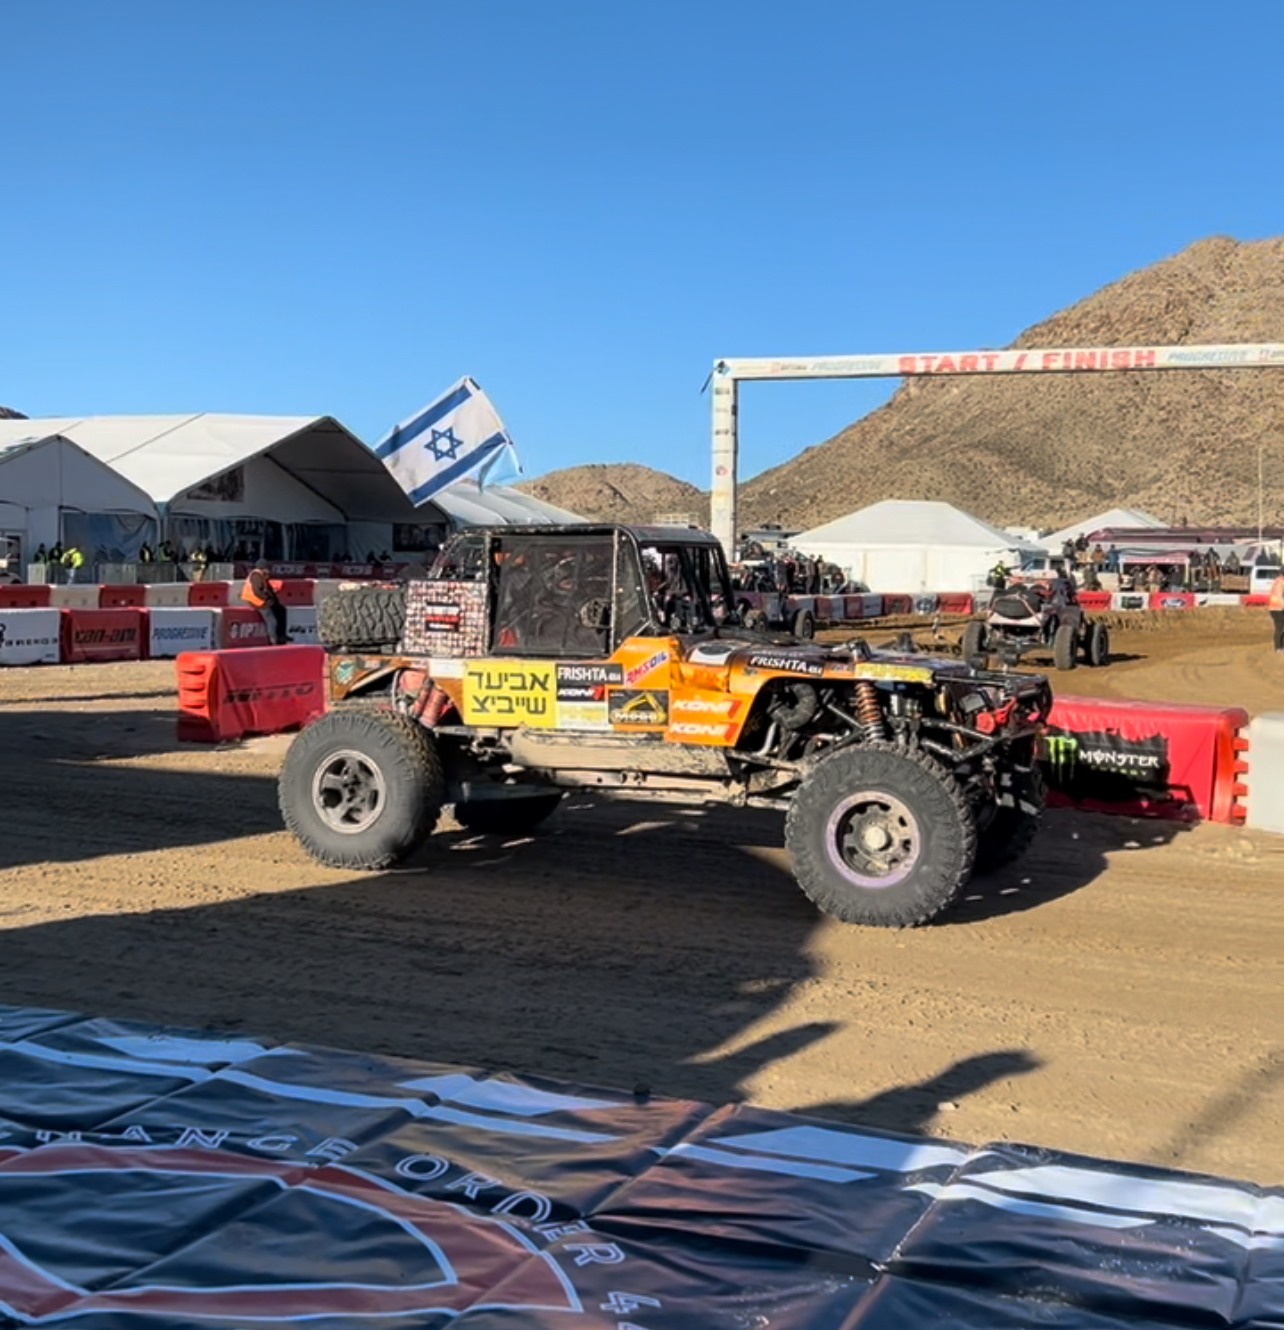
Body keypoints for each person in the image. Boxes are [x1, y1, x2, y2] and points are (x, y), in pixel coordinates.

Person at [241, 557, 287, 645]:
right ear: (263, 568)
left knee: (281, 610)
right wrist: (267, 599)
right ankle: (273, 640)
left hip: (259, 599)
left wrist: (273, 600)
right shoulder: (256, 576)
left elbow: (268, 589)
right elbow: (257, 591)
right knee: (272, 620)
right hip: (256, 601)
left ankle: (281, 635)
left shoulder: (262, 575)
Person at [1270, 570, 1284, 652]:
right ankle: (1278, 647)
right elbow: (1279, 597)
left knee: (1281, 627)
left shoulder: (1279, 581)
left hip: (1276, 608)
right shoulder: (1280, 583)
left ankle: (1280, 646)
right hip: (1277, 609)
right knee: (1279, 628)